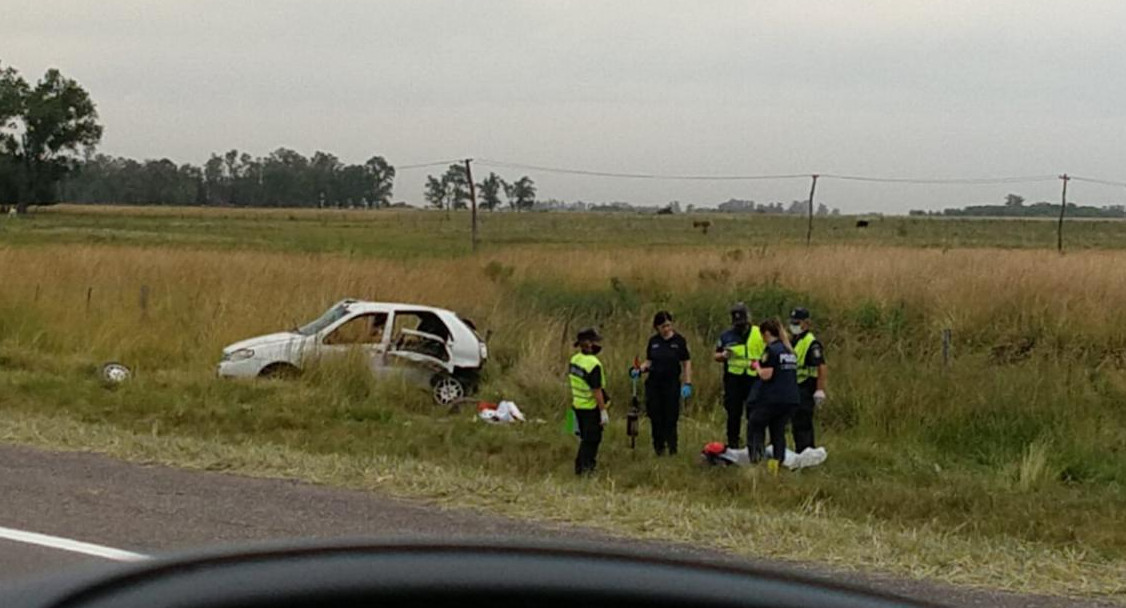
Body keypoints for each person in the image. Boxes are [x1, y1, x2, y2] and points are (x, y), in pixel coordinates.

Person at [632, 311, 692, 456]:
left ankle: (672, 449)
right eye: (663, 326)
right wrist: (640, 369)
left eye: (668, 325)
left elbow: (686, 362)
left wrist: (687, 382)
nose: (666, 329)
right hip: (654, 384)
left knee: (670, 417)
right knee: (655, 417)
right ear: (657, 327)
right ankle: (659, 449)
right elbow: (649, 360)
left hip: (671, 384)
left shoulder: (679, 341)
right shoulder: (654, 342)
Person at [746, 318, 799, 468]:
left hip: (772, 399)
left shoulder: (772, 350)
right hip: (790, 399)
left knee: (755, 426)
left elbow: (765, 375)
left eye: (763, 336)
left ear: (767, 333)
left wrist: (756, 365)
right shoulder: (789, 351)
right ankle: (775, 466)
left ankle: (756, 461)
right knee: (778, 433)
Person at [713, 302, 765, 449]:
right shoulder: (726, 336)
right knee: (733, 414)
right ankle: (733, 445)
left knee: (754, 414)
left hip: (754, 378)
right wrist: (723, 355)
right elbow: (716, 355)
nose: (740, 327)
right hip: (733, 379)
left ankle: (754, 445)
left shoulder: (759, 333)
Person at [569, 327, 609, 475]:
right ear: (588, 344)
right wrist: (603, 410)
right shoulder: (594, 364)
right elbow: (596, 390)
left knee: (584, 438)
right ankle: (585, 469)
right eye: (595, 341)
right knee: (592, 440)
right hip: (590, 407)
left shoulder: (575, 359)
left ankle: (580, 467)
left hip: (577, 405)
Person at [789, 307, 827, 453]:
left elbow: (821, 366)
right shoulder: (796, 340)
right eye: (792, 322)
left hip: (806, 385)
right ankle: (801, 452)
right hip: (795, 386)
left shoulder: (812, 343)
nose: (794, 325)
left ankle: (806, 452)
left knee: (803, 423)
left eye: (797, 322)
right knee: (796, 423)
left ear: (807, 323)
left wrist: (819, 389)